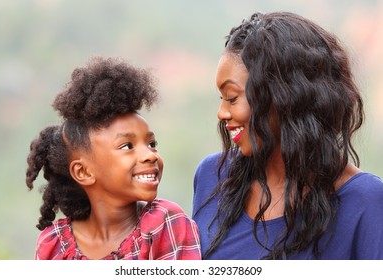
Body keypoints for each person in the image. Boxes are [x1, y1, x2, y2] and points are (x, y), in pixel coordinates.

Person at [192, 11, 383, 260]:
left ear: (284, 97)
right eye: (222, 98)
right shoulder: (212, 176)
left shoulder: (365, 202)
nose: (222, 113)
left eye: (232, 98)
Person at [26, 56, 201, 260]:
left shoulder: (165, 224)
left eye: (151, 144)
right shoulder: (52, 244)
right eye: (127, 146)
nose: (150, 155)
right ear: (83, 172)